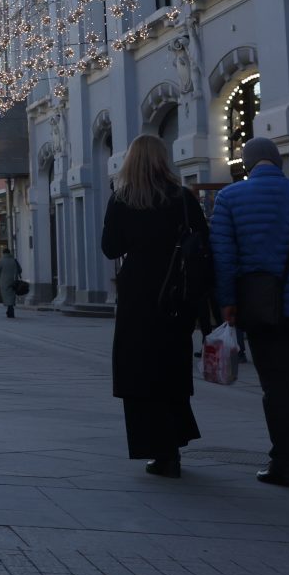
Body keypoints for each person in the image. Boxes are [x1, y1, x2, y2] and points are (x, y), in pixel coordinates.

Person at [210, 136, 289, 488]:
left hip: (259, 306)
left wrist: (227, 303)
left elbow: (223, 258)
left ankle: (284, 462)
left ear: (247, 164)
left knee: (276, 384)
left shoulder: (229, 198)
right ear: (278, 162)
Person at [101, 135, 206, 478]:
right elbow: (202, 243)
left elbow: (110, 248)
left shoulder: (123, 198)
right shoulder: (184, 199)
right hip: (177, 293)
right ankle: (175, 441)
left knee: (140, 369)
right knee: (172, 366)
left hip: (139, 294)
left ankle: (159, 449)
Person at [0, 247, 24, 318]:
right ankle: (10, 309)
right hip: (13, 281)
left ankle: (10, 309)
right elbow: (20, 270)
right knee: (11, 295)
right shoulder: (13, 260)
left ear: (3, 253)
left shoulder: (1, 261)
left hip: (3, 281)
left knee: (6, 296)